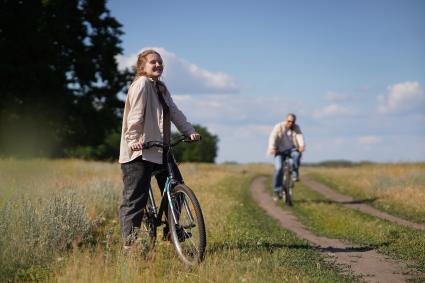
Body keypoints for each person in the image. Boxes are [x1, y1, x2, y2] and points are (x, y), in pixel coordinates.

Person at [118, 49, 201, 250]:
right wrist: (133, 139)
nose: (158, 65)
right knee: (134, 200)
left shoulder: (160, 87)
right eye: (153, 62)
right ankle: (129, 246)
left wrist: (189, 131)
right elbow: (135, 116)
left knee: (177, 187)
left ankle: (171, 230)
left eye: (160, 62)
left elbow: (174, 112)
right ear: (142, 67)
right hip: (139, 151)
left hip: (160, 149)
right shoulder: (142, 84)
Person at [267, 113, 305, 201]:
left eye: (292, 122)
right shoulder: (279, 127)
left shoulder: (296, 128)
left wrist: (301, 145)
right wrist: (272, 147)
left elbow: (300, 136)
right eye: (289, 121)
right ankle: (277, 190)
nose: (290, 123)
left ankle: (295, 174)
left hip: (292, 150)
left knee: (297, 155)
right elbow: (273, 136)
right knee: (279, 168)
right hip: (279, 151)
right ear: (285, 120)